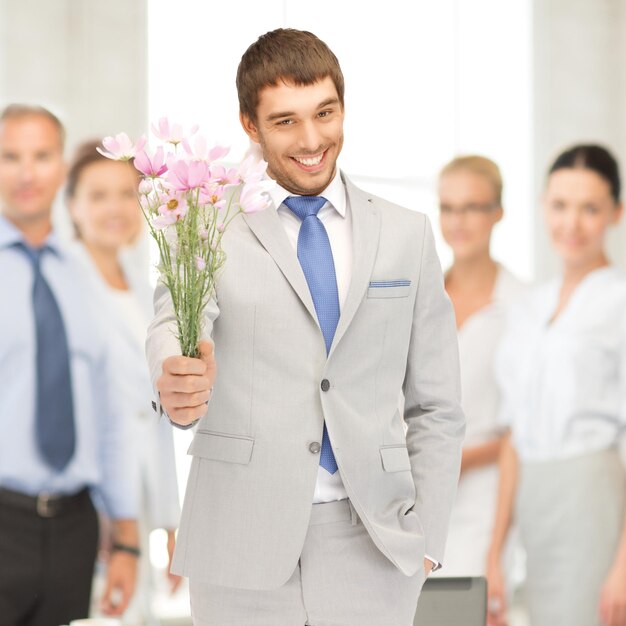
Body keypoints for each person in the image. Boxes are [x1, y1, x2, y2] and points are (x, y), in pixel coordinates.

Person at [146, 28, 465, 625]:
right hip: (237, 543)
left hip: (374, 543)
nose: (313, 139)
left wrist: (426, 540)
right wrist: (173, 374)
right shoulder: (207, 225)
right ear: (250, 125)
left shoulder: (406, 233)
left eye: (325, 112)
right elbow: (174, 320)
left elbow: (438, 405)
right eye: (286, 121)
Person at [0, 104, 139, 626]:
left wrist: (127, 541)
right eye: (10, 157)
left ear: (61, 168)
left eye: (41, 156)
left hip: (75, 530)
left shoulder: (85, 281)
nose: (27, 172)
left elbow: (111, 415)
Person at [486, 144, 626, 626]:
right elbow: (513, 437)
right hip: (534, 502)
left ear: (616, 213)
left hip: (594, 499)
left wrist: (624, 567)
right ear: (544, 206)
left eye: (590, 208)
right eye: (561, 205)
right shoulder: (528, 307)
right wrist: (495, 555)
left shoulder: (619, 302)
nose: (572, 224)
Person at [65, 140, 183, 625]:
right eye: (98, 195)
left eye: (127, 193)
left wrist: (173, 524)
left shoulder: (141, 286)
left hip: (142, 500)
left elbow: (154, 412)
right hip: (89, 513)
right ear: (71, 206)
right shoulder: (61, 283)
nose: (115, 208)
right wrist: (109, 520)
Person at [435, 155, 526, 578]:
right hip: (416, 495)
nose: (459, 220)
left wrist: (464, 460)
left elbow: (524, 426)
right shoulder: (421, 297)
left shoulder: (525, 306)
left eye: (472, 207)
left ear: (498, 213)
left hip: (488, 498)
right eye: (449, 208)